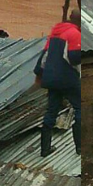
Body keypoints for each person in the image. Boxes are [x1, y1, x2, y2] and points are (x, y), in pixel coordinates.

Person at [36, 8, 81, 157]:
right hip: (67, 79)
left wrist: (40, 75)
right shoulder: (74, 34)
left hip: (51, 79)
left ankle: (45, 149)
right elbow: (74, 58)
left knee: (51, 111)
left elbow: (43, 59)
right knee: (80, 108)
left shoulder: (55, 34)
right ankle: (80, 147)